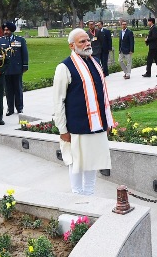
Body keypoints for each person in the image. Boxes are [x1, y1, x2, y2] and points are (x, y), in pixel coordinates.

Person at [52, 28, 115, 195]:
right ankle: (77, 199)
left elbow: (102, 95)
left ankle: (90, 196)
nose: (87, 44)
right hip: (77, 126)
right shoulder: (64, 67)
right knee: (77, 164)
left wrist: (108, 121)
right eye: (82, 41)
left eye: (88, 40)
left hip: (98, 124)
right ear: (72, 46)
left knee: (92, 162)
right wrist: (63, 130)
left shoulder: (95, 62)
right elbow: (58, 101)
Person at [0, 21, 28, 115]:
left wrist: (25, 65)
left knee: (18, 88)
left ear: (12, 30)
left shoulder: (20, 40)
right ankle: (10, 108)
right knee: (8, 89)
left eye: (7, 30)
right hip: (6, 69)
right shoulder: (1, 40)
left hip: (16, 68)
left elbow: (24, 53)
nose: (6, 32)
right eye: (4, 30)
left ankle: (19, 107)